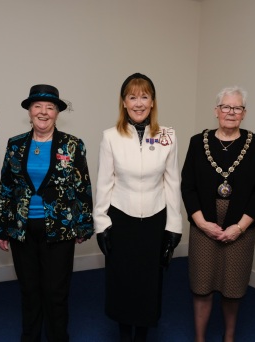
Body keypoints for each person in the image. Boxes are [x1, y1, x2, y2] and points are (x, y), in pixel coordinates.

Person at [0, 84, 94, 342]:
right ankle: (30, 337)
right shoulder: (15, 145)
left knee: (56, 292)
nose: (43, 112)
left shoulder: (73, 145)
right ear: (29, 111)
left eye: (50, 107)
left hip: (59, 230)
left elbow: (83, 187)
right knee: (29, 290)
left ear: (57, 113)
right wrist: (3, 226)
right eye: (37, 106)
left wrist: (84, 225)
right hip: (22, 230)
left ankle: (58, 337)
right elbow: (6, 187)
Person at [93, 73, 183, 342]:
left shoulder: (168, 135)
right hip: (121, 219)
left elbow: (172, 183)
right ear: (123, 102)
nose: (139, 103)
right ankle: (123, 335)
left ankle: (142, 335)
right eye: (133, 97)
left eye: (144, 96)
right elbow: (103, 183)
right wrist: (101, 224)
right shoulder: (110, 137)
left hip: (155, 220)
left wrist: (174, 227)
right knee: (122, 283)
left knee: (148, 284)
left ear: (153, 102)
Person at [181, 86, 255, 342]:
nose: (231, 112)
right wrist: (201, 223)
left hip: (240, 227)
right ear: (216, 110)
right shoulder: (198, 142)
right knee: (201, 288)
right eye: (226, 107)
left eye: (237, 108)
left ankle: (229, 337)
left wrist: (239, 228)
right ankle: (200, 338)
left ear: (244, 113)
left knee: (233, 289)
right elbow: (187, 185)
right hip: (204, 225)